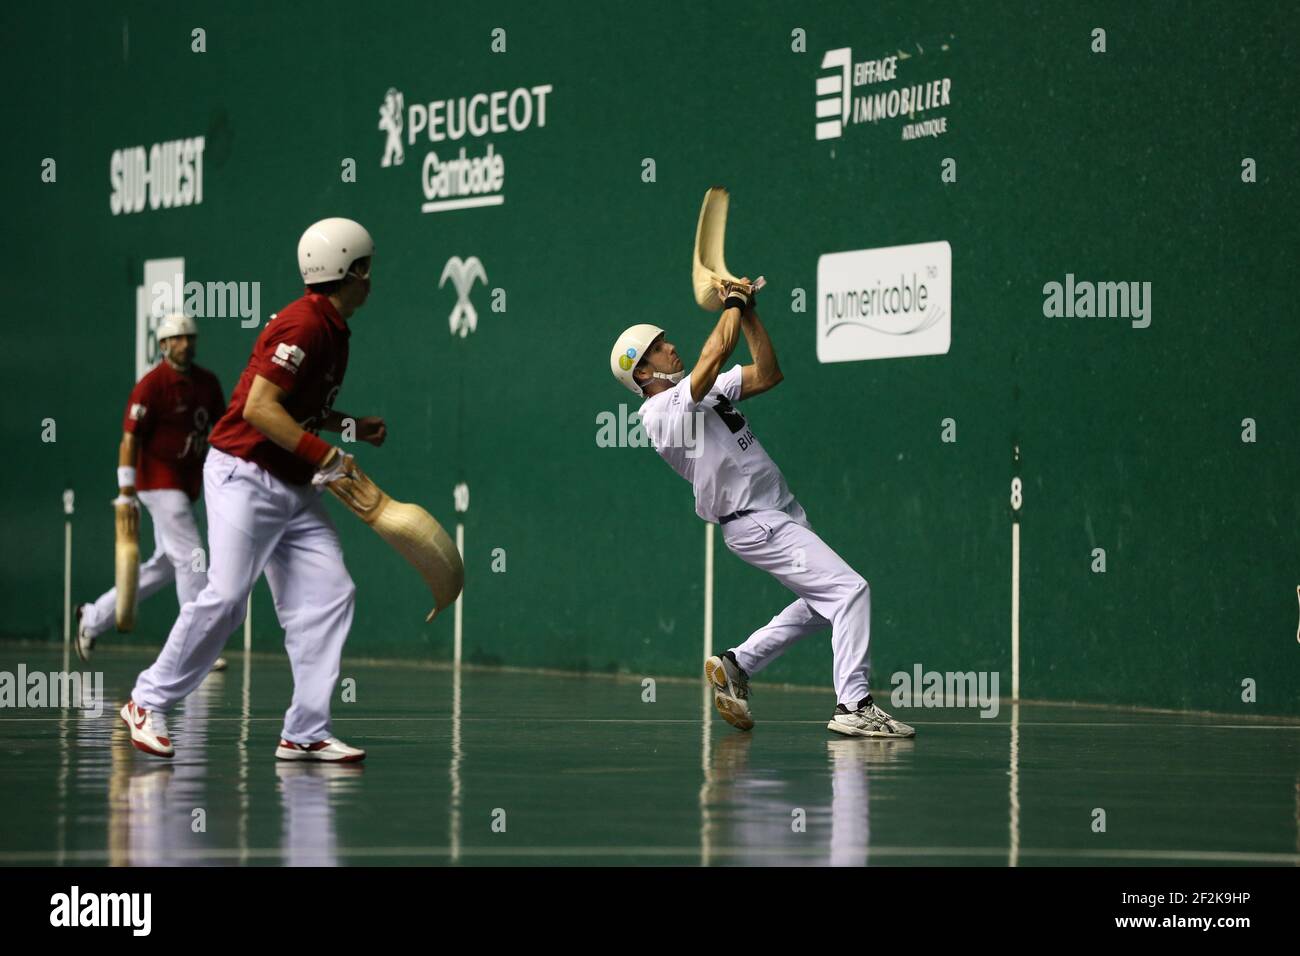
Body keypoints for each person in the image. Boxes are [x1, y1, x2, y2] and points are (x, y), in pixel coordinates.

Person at [120, 217, 387, 762]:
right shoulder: (304, 325)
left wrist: (349, 426)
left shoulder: (331, 328)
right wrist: (329, 456)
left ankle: (305, 730)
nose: (371, 279)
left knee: (332, 591)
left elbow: (298, 408)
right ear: (350, 269)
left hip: (292, 482)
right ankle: (146, 700)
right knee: (225, 598)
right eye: (367, 269)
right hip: (245, 472)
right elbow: (260, 410)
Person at [610, 279, 915, 738]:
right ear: (643, 372)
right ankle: (854, 703)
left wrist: (748, 312)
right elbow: (714, 355)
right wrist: (731, 301)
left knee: (819, 605)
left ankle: (737, 664)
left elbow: (768, 373)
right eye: (658, 347)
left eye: (665, 340)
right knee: (851, 590)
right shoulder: (660, 413)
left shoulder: (706, 392)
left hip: (781, 513)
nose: (671, 347)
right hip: (755, 521)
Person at [77, 313, 228, 671]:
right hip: (157, 483)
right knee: (192, 556)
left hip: (186, 483)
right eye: (176, 338)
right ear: (163, 345)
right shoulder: (151, 385)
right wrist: (125, 491)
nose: (185, 344)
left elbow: (222, 431)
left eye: (189, 337)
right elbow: (130, 438)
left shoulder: (207, 383)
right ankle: (196, 648)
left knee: (165, 565)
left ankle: (92, 616)